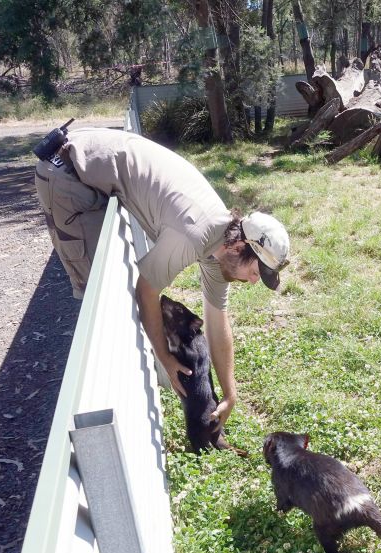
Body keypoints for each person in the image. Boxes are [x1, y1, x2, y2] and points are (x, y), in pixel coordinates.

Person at [33, 126, 290, 431]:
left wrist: (230, 393)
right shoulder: (192, 234)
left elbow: (217, 322)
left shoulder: (220, 247)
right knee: (97, 300)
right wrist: (164, 358)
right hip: (67, 171)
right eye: (255, 272)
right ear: (239, 247)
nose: (252, 282)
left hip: (92, 168)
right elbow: (146, 291)